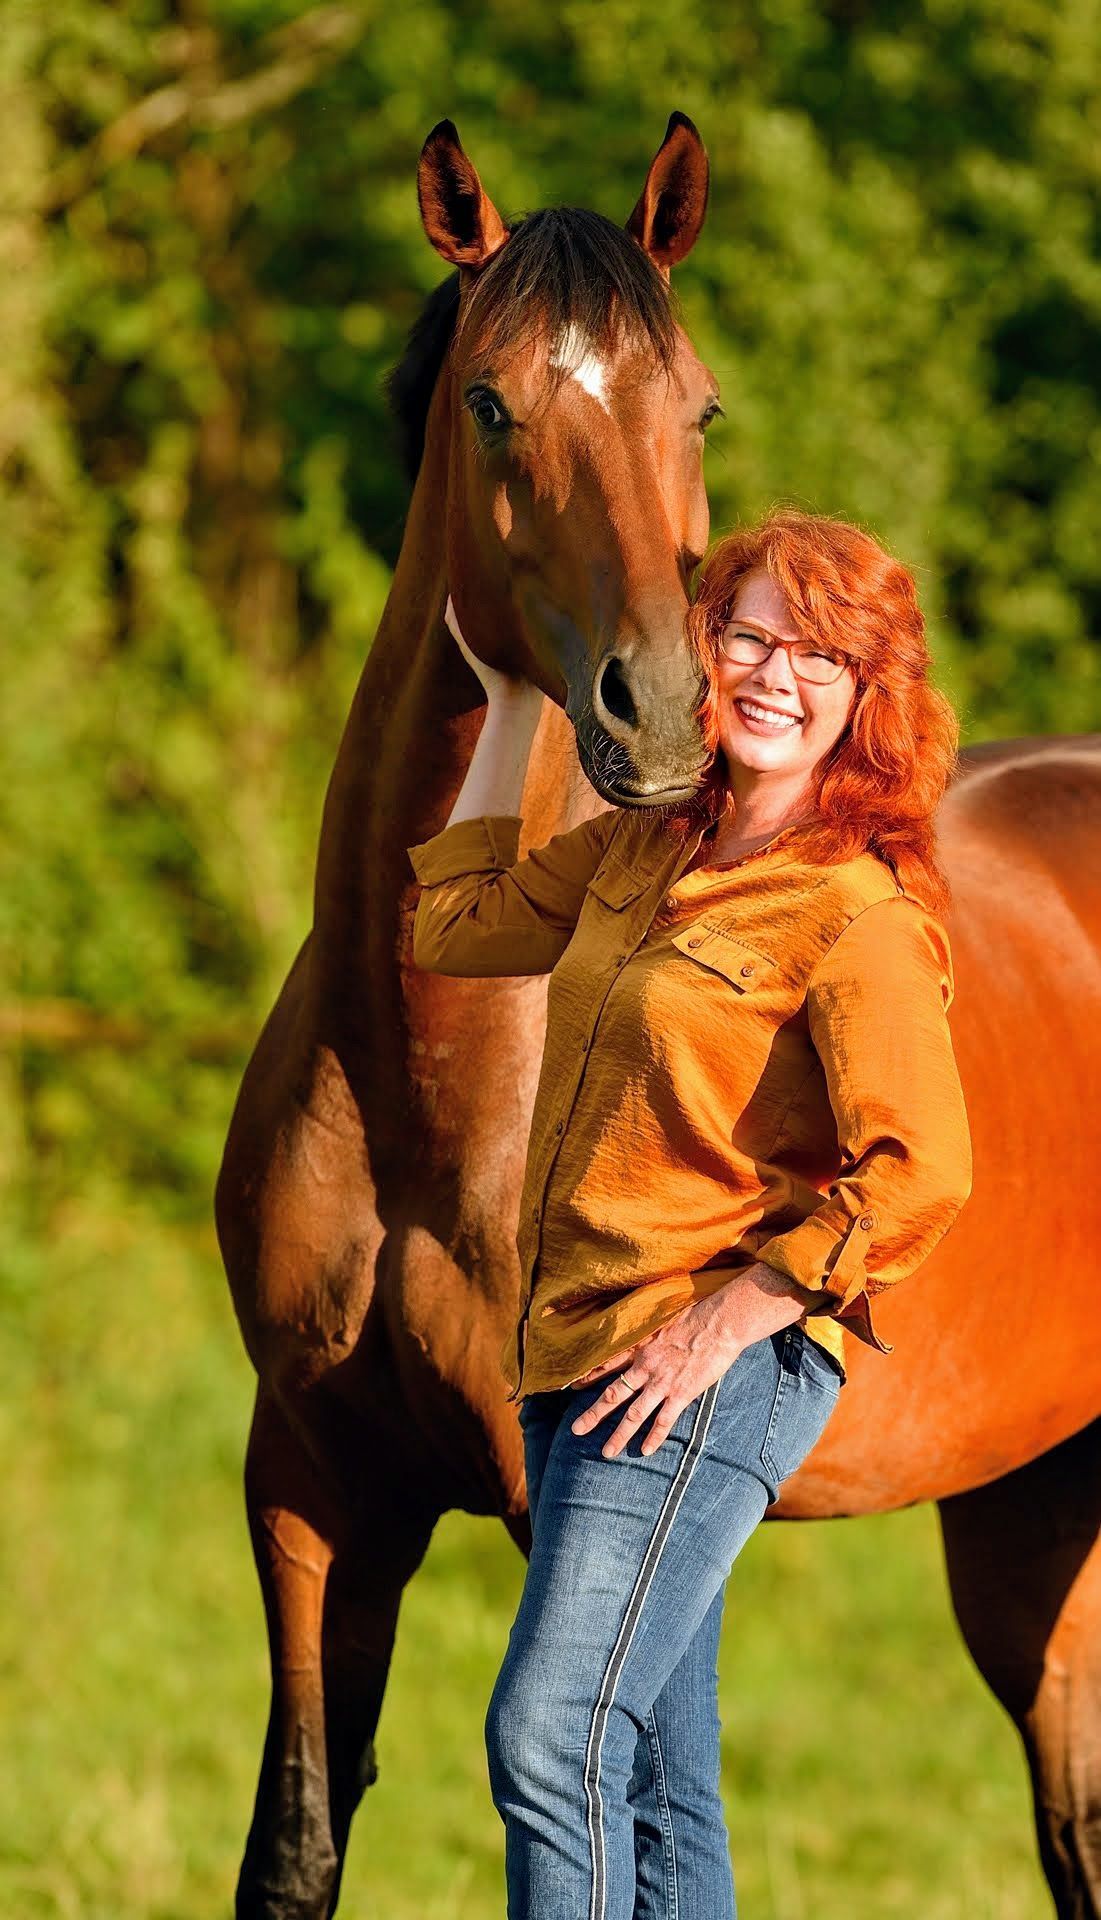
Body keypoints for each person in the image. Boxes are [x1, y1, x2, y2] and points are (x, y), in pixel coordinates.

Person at [406, 509, 973, 1920]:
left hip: (704, 1371)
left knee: (552, 1734)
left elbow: (922, 1170)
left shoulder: (858, 913)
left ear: (866, 697)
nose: (776, 674)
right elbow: (453, 925)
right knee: (656, 1776)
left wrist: (736, 1312)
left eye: (820, 653)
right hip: (580, 1355)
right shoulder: (642, 852)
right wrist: (517, 710)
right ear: (701, 653)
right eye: (748, 634)